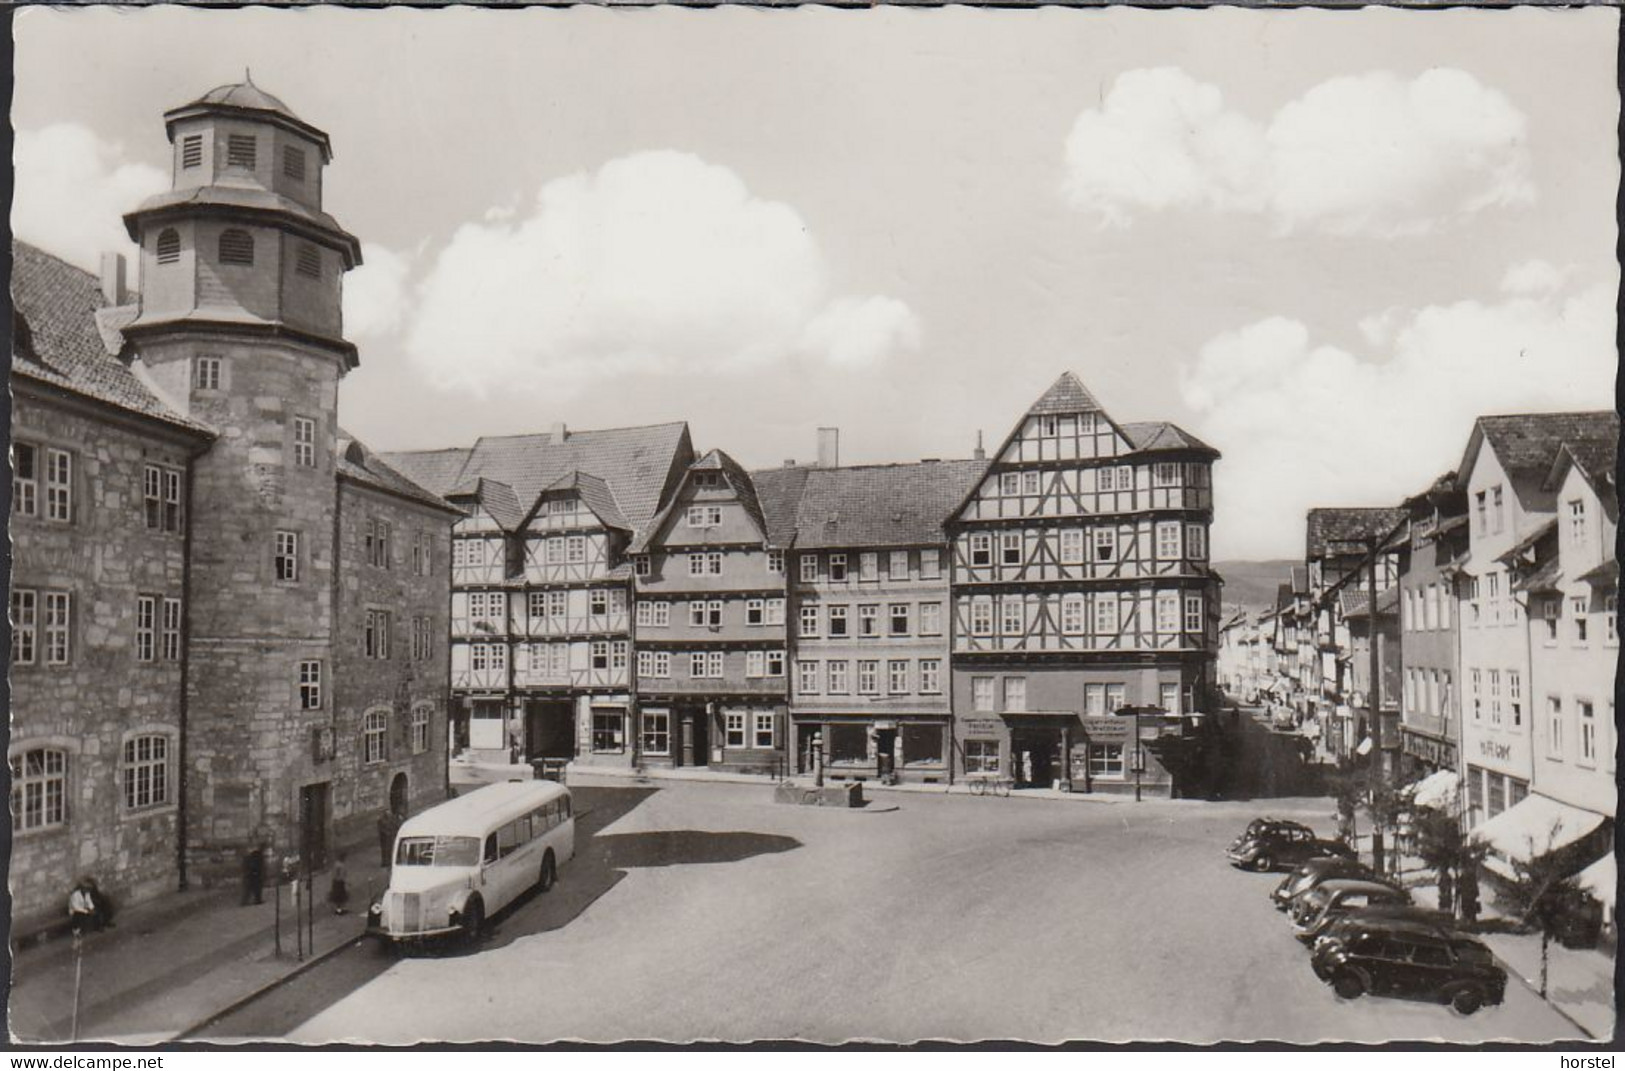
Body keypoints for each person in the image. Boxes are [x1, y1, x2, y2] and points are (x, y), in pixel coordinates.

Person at [241, 840, 266, 906]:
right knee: (255, 888)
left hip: (250, 874)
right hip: (254, 874)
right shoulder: (257, 855)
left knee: (249, 888)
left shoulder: (249, 856)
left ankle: (245, 902)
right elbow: (257, 865)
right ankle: (257, 900)